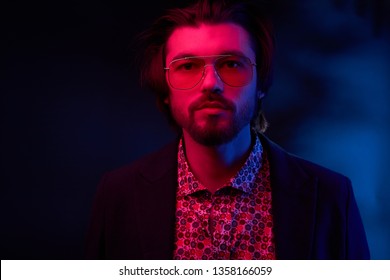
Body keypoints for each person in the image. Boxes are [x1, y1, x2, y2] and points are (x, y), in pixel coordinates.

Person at [85, 0, 370, 260]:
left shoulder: (331, 197)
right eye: (187, 66)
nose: (211, 83)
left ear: (260, 85)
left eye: (232, 64)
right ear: (166, 90)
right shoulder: (118, 195)